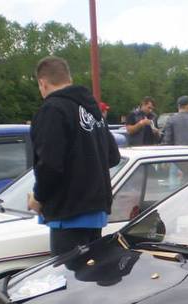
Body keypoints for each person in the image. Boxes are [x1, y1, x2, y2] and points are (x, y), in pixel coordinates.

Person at [28, 56, 121, 256]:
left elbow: (50, 165)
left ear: (43, 83)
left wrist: (38, 196)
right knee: (89, 272)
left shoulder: (53, 109)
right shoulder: (91, 110)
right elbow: (113, 156)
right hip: (96, 212)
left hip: (68, 213)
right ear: (69, 79)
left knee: (68, 273)